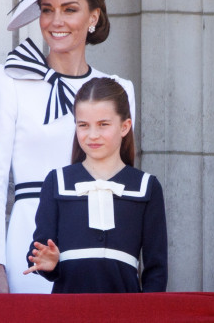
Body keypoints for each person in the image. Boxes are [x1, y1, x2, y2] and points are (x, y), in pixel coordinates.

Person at [0, 0, 136, 293]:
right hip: (29, 238)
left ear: (93, 16)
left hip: (99, 238)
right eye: (47, 10)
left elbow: (123, 183)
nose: (56, 21)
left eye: (70, 9)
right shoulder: (9, 79)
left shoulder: (119, 90)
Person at [24, 77, 167, 292]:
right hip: (68, 310)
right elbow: (39, 251)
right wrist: (48, 263)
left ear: (125, 126)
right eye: (83, 125)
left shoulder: (147, 186)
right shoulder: (56, 182)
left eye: (103, 125)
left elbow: (156, 269)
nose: (92, 135)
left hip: (126, 312)